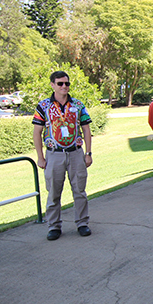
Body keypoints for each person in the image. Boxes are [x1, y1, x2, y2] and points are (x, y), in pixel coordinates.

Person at [34, 70, 94, 240]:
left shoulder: (78, 105)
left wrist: (88, 153)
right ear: (52, 85)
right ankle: (54, 226)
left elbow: (86, 129)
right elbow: (36, 132)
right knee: (53, 191)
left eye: (67, 83)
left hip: (75, 153)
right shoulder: (44, 106)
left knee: (80, 190)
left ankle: (82, 223)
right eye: (60, 83)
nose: (64, 86)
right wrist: (40, 157)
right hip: (54, 155)